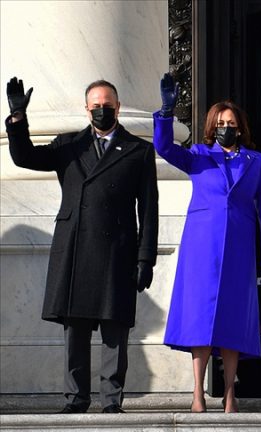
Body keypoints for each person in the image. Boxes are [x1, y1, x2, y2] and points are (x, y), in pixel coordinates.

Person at [6, 77, 158, 414]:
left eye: (107, 106)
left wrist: (145, 258)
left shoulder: (138, 150)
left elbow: (148, 210)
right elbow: (24, 157)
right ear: (86, 109)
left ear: (118, 108)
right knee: (74, 328)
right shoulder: (69, 145)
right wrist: (18, 119)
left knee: (115, 329)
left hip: (118, 251)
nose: (102, 111)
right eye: (96, 106)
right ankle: (76, 399)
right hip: (75, 248)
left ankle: (111, 401)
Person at [153, 73, 261, 413]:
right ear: (212, 126)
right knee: (201, 318)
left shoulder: (255, 161)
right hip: (201, 248)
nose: (226, 128)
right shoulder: (198, 155)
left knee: (234, 320)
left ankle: (229, 393)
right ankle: (197, 392)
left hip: (239, 249)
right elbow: (163, 148)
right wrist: (166, 113)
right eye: (221, 123)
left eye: (231, 124)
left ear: (240, 127)